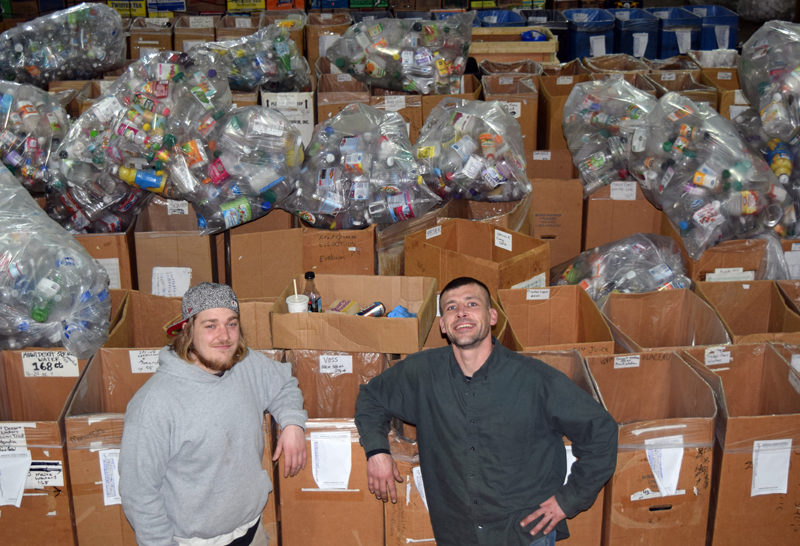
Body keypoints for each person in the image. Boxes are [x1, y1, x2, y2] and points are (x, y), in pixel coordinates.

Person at [354, 276, 618, 546]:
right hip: (458, 535)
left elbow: (601, 432)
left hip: (524, 534)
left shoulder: (535, 380)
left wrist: (567, 501)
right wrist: (377, 452)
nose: (462, 313)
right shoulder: (423, 374)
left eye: (472, 303)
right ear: (443, 325)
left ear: (492, 316)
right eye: (451, 307)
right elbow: (371, 397)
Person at [119, 282, 308, 546]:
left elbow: (284, 383)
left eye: (231, 323)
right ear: (186, 330)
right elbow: (138, 493)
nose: (224, 336)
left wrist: (292, 424)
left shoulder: (245, 364)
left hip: (252, 531)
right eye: (210, 325)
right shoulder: (155, 404)